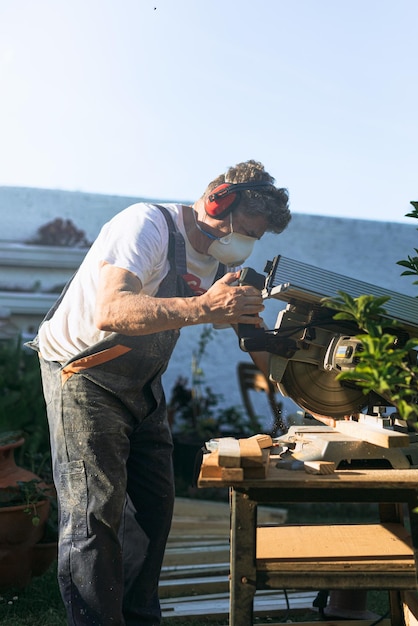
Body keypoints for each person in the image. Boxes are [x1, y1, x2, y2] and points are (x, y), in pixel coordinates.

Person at [30, 159, 290, 625]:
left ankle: (139, 617)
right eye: (247, 231)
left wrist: (308, 398)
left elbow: (252, 335)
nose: (248, 245)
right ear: (217, 202)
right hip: (84, 374)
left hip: (142, 384)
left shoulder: (221, 259)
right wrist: (205, 305)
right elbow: (112, 310)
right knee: (94, 516)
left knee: (154, 510)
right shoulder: (145, 226)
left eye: (258, 237)